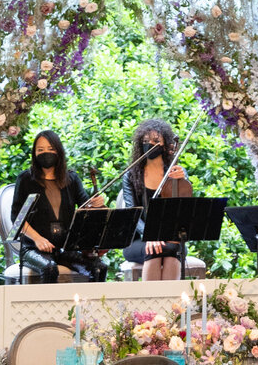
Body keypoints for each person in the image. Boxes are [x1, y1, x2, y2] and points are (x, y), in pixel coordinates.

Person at [11, 129, 107, 284]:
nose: (45, 153)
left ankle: (89, 306)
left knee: (98, 268)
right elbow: (17, 217)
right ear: (34, 154)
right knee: (49, 268)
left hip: (65, 247)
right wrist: (37, 239)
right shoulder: (25, 179)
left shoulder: (72, 178)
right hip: (34, 248)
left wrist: (96, 204)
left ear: (59, 151)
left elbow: (85, 206)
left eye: (51, 149)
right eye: (40, 150)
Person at [120, 117, 188, 282]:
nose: (149, 144)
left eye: (156, 140)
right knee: (154, 249)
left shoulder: (176, 172)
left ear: (166, 145)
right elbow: (133, 215)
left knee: (172, 248)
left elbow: (185, 207)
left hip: (170, 237)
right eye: (145, 141)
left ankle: (171, 303)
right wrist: (150, 235)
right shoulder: (131, 175)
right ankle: (150, 304)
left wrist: (183, 179)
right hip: (139, 240)